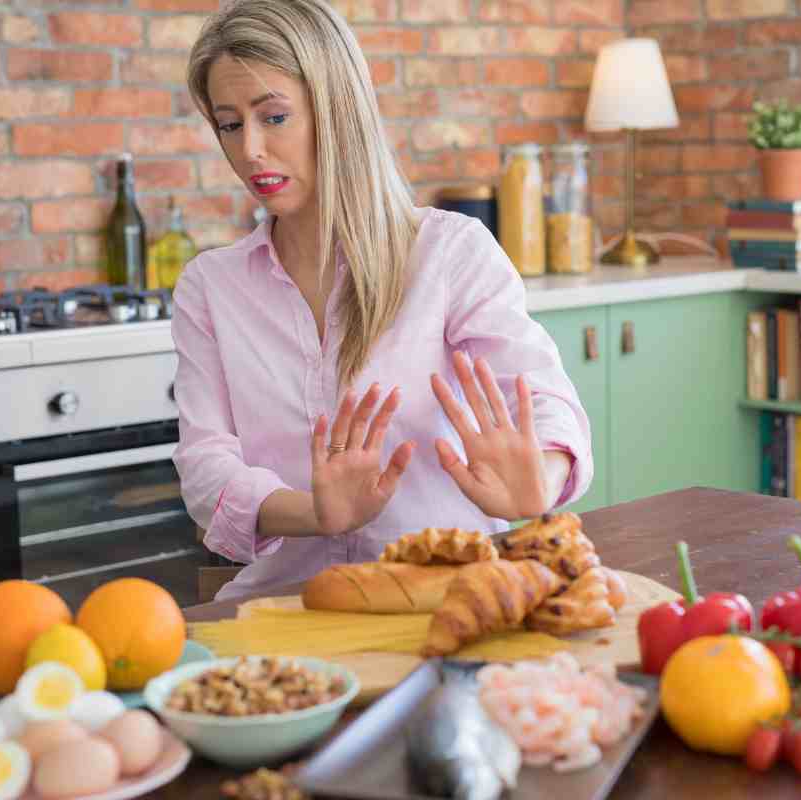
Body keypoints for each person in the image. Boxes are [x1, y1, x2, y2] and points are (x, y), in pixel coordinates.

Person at [173, 0, 593, 604]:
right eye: (230, 124)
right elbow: (205, 464)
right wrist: (319, 513)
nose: (250, 152)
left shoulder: (450, 252)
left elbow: (544, 400)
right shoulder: (210, 287)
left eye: (275, 117)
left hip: (449, 599)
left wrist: (541, 480)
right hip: (288, 606)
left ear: (336, 111)